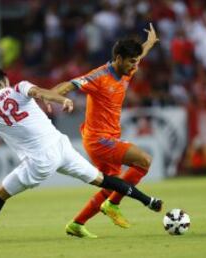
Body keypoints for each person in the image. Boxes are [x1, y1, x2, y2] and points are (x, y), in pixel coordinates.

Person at [0, 68, 162, 245]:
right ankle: (147, 200)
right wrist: (60, 100)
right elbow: (39, 92)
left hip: (39, 161)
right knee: (104, 180)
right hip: (61, 146)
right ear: (5, 81)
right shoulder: (19, 86)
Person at [50, 23, 160, 238]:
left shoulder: (128, 68)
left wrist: (149, 43)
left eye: (136, 61)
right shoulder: (99, 76)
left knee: (113, 184)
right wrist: (50, 96)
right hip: (99, 140)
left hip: (107, 137)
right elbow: (69, 85)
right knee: (144, 160)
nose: (134, 66)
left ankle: (77, 223)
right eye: (131, 61)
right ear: (117, 58)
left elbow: (140, 56)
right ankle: (112, 205)